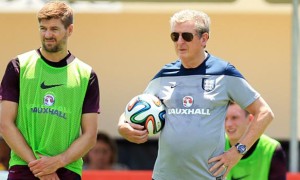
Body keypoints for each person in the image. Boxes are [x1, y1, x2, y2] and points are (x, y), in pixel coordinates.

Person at [117, 9, 274, 180]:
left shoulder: (224, 73)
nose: (180, 42)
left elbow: (264, 113)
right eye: (175, 36)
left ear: (204, 38)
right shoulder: (164, 74)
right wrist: (123, 127)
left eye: (187, 36)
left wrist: (237, 152)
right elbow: (133, 109)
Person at [0, 1, 100, 180]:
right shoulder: (19, 66)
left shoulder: (86, 75)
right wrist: (40, 168)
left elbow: (90, 135)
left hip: (67, 169)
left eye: (54, 29)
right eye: (42, 28)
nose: (47, 34)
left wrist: (58, 161)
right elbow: (5, 124)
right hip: (25, 167)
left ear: (70, 30)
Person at [225, 101, 287, 180]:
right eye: (225, 118)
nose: (228, 124)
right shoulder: (215, 146)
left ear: (250, 119)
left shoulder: (271, 149)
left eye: (234, 118)